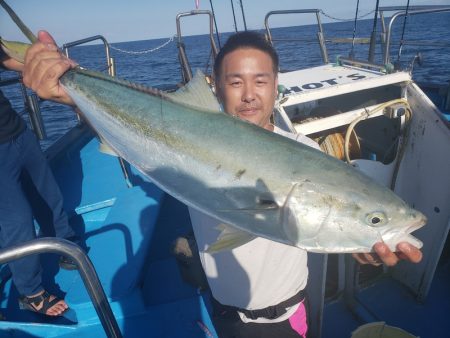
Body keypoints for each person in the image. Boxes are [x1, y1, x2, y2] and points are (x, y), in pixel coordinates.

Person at [23, 30, 423, 336]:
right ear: (214, 87)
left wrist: (362, 241)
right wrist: (69, 91)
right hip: (220, 310)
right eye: (235, 82)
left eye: (261, 81)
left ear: (276, 84)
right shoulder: (187, 129)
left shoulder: (308, 154)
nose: (249, 95)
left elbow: (330, 215)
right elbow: (128, 130)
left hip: (286, 318)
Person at [0, 44, 78, 316]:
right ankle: (30, 292)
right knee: (17, 222)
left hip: (18, 132)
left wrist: (55, 69)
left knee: (49, 196)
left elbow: (9, 59)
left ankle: (65, 245)